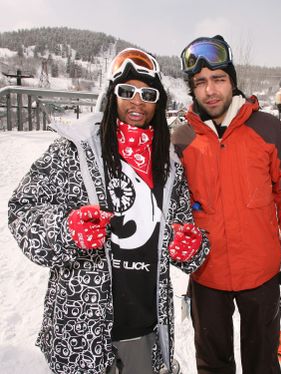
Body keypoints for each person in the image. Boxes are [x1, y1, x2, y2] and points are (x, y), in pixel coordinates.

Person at [8, 48, 210, 374]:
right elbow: (22, 209)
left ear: (158, 103)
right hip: (81, 331)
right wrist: (66, 230)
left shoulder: (169, 166)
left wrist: (191, 248)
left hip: (145, 328)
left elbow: (184, 235)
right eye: (126, 91)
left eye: (148, 94)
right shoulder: (74, 150)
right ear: (111, 95)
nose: (137, 101)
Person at [172, 35, 281, 374]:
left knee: (262, 362)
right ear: (192, 88)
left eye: (218, 79)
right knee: (213, 363)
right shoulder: (180, 139)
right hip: (206, 273)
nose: (210, 90)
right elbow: (169, 203)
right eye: (200, 82)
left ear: (232, 81)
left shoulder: (268, 128)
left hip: (260, 272)